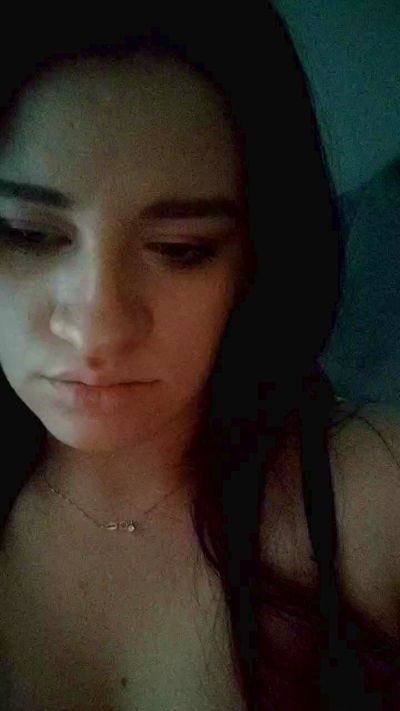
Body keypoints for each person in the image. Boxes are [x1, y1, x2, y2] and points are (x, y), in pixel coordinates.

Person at [0, 5, 398, 710]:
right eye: (28, 234)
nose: (97, 328)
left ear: (253, 263)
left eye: (181, 249)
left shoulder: (376, 499)